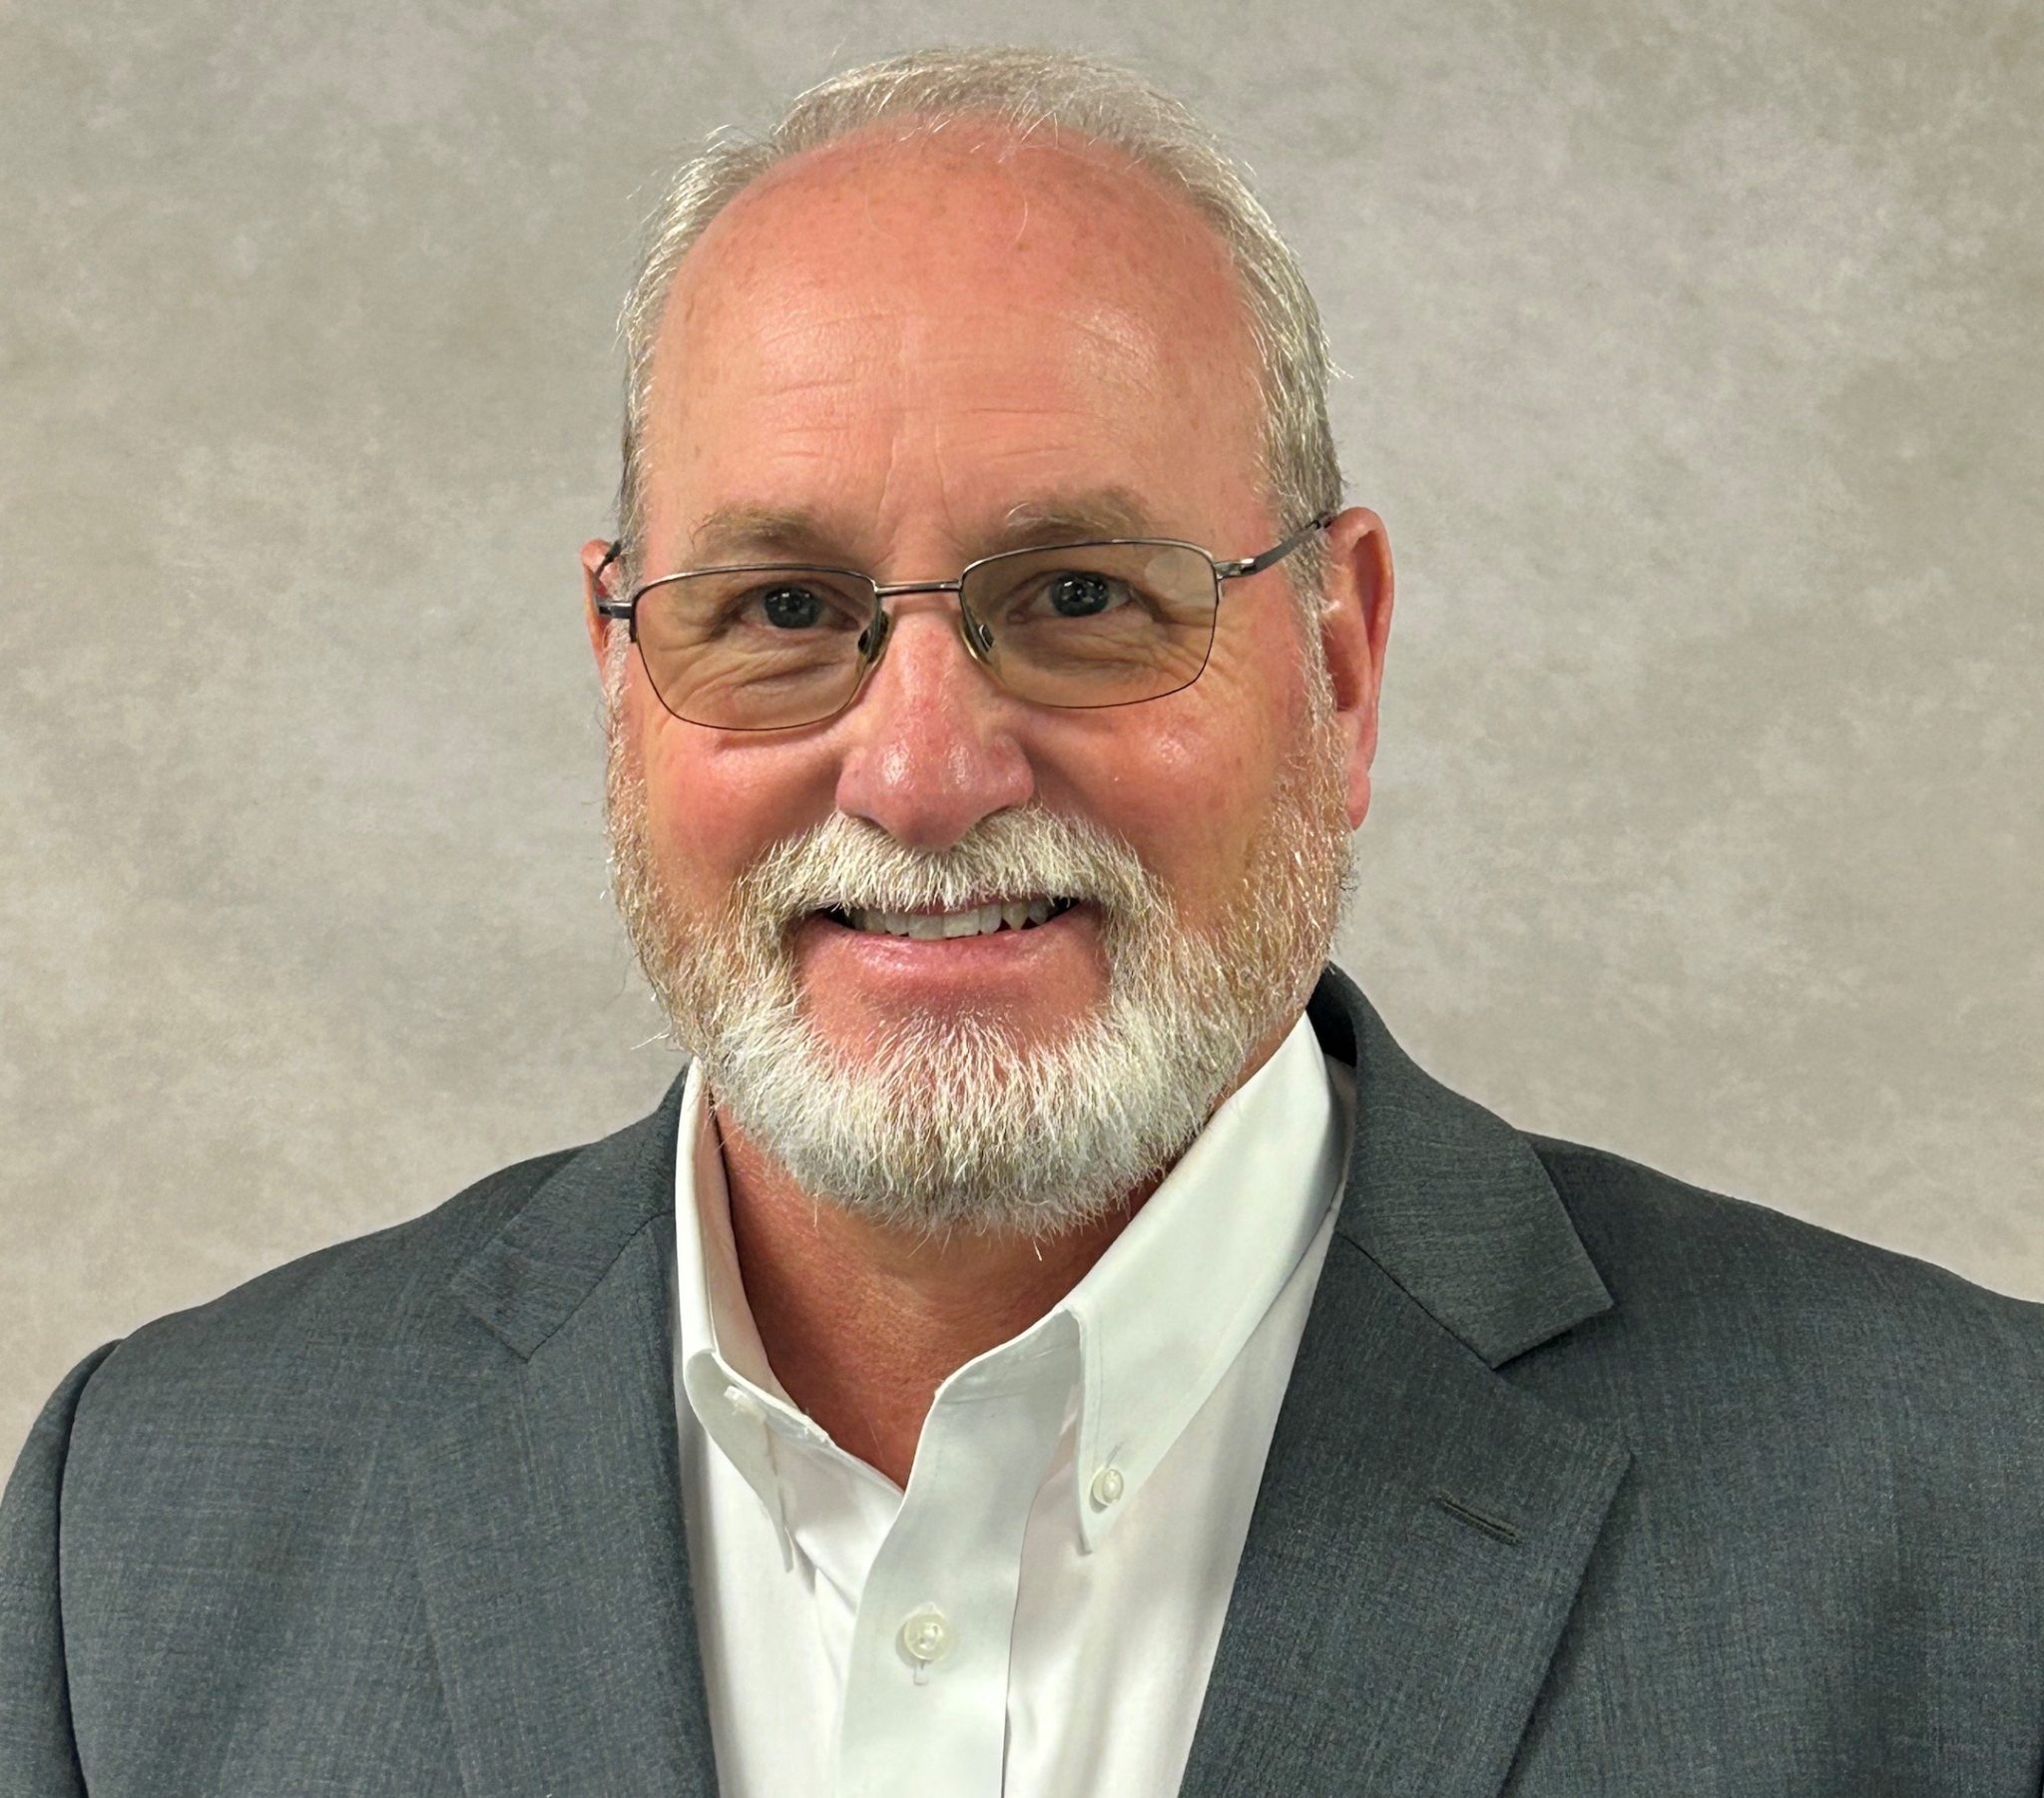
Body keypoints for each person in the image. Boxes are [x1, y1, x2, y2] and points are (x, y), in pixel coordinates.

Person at [2, 43, 2038, 1798]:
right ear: (619, 682)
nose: (920, 771)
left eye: (1078, 598)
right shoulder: (146, 1542)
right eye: (780, 610)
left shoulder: (1972, 1524)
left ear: (1340, 665)